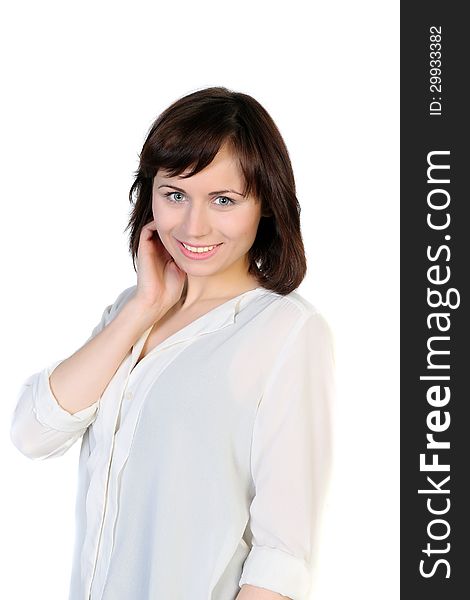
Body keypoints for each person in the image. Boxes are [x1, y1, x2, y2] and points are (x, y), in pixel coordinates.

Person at [10, 86, 336, 600]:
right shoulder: (130, 309)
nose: (192, 224)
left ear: (266, 205)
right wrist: (143, 306)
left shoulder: (287, 332)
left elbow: (283, 555)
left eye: (223, 200)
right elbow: (33, 433)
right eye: (175, 194)